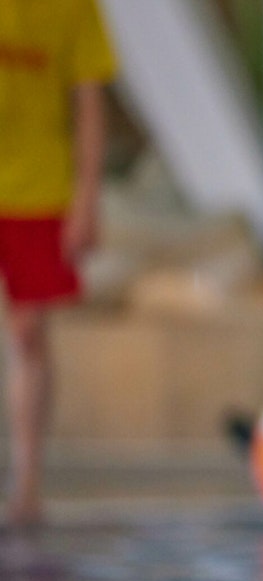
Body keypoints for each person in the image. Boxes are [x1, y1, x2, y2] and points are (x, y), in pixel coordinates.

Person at [0, 0, 117, 528]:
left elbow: (89, 102)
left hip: (39, 191)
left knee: (29, 333)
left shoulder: (74, 7)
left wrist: (87, 199)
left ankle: (27, 483)